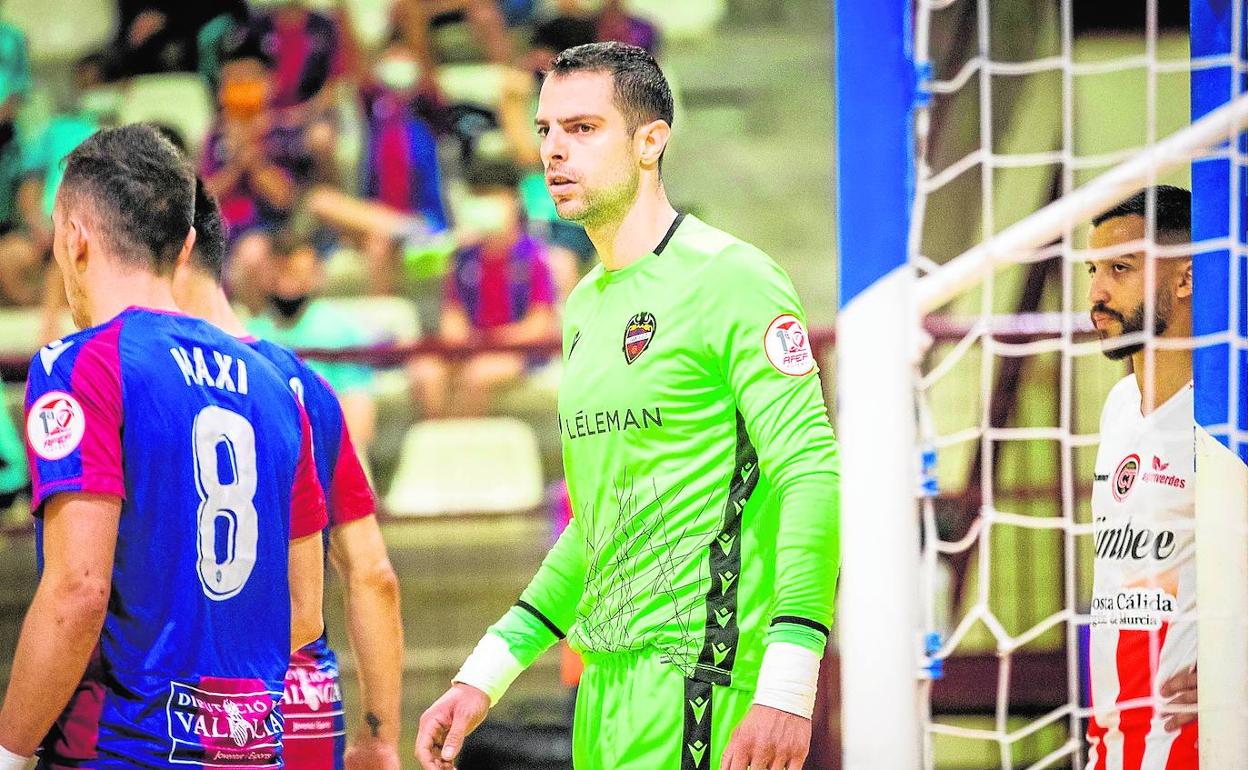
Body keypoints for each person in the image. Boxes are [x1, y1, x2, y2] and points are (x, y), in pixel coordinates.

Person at [416, 43, 840, 770]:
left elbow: (811, 473)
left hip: (707, 686)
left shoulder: (732, 279)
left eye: (582, 129)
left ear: (650, 142)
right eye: (546, 130)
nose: (554, 150)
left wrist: (790, 684)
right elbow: (595, 528)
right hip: (604, 691)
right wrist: (483, 673)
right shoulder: (584, 305)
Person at [0, 124, 327, 769]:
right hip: (251, 750)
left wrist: (10, 752)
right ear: (186, 247)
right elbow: (305, 612)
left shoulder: (79, 365)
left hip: (121, 749)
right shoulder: (276, 384)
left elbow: (78, 592)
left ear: (74, 239)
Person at [174, 179, 404, 770]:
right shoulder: (306, 383)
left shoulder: (148, 379)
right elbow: (373, 573)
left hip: (187, 694)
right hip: (303, 694)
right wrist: (380, 737)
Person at [1084, 186, 1199, 769]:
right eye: (1093, 270)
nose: (1096, 294)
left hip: (1193, 741)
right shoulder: (1118, 408)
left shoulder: (1223, 415)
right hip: (1110, 739)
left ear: (1184, 279)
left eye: (1120, 269)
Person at [407, 157, 557, 418]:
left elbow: (538, 326)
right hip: (473, 348)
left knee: (477, 374)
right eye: (478, 196)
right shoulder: (463, 258)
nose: (484, 202)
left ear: (514, 200)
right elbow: (452, 319)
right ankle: (437, 438)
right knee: (425, 371)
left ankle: (458, 440)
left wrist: (487, 341)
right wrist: (463, 343)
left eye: (492, 195)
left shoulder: (533, 257)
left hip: (517, 353)